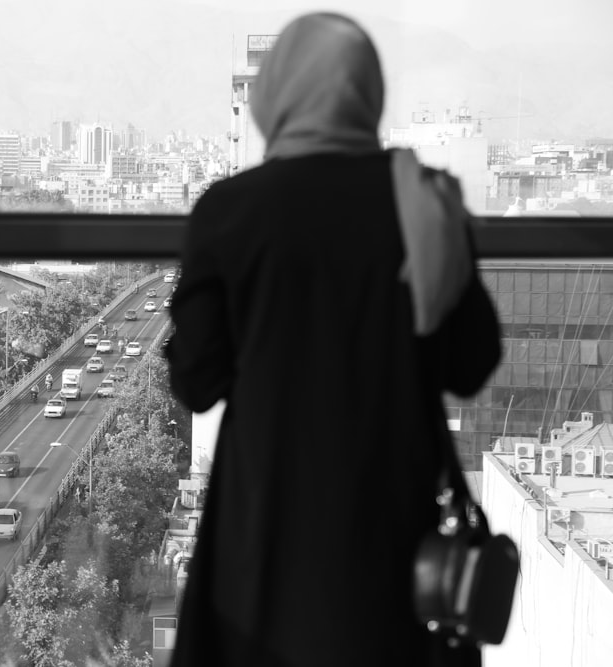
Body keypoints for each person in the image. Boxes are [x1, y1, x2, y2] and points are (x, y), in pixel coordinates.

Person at [165, 13, 500, 667]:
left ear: (276, 95)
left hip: (263, 533)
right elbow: (471, 361)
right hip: (391, 532)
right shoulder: (424, 203)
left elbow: (195, 379)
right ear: (366, 95)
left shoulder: (230, 212)